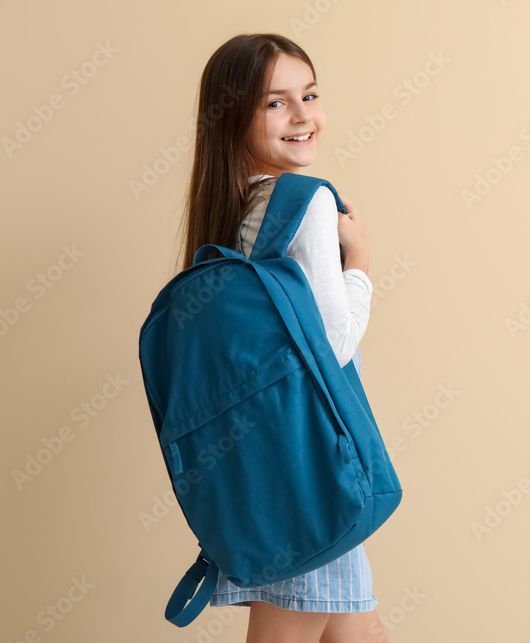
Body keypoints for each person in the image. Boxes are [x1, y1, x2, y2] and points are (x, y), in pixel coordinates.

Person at [176, 32, 389, 643]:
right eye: (275, 102)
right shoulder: (305, 203)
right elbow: (334, 346)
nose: (303, 116)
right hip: (317, 474)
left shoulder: (240, 211)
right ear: (233, 115)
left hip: (278, 473)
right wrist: (360, 264)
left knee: (361, 631)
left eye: (310, 94)